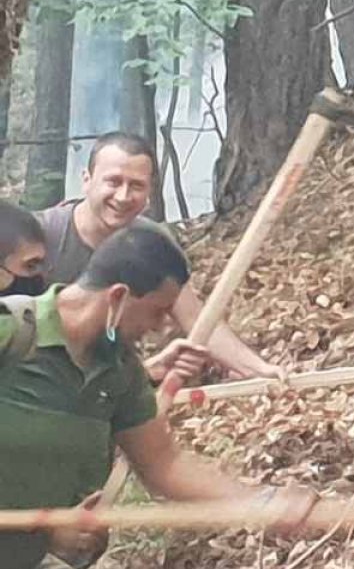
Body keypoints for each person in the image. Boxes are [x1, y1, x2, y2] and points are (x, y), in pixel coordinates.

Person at [0, 221, 328, 569]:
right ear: (118, 296)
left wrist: (258, 502)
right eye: (156, 311)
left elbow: (165, 464)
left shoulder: (120, 373)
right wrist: (41, 522)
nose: (158, 329)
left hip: (17, 565)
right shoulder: (13, 333)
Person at [31, 131, 281, 385]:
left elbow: (197, 319)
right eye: (113, 182)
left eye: (136, 185)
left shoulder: (152, 243)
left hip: (111, 391)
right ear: (87, 180)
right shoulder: (39, 236)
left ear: (150, 191)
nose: (123, 196)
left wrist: (258, 368)